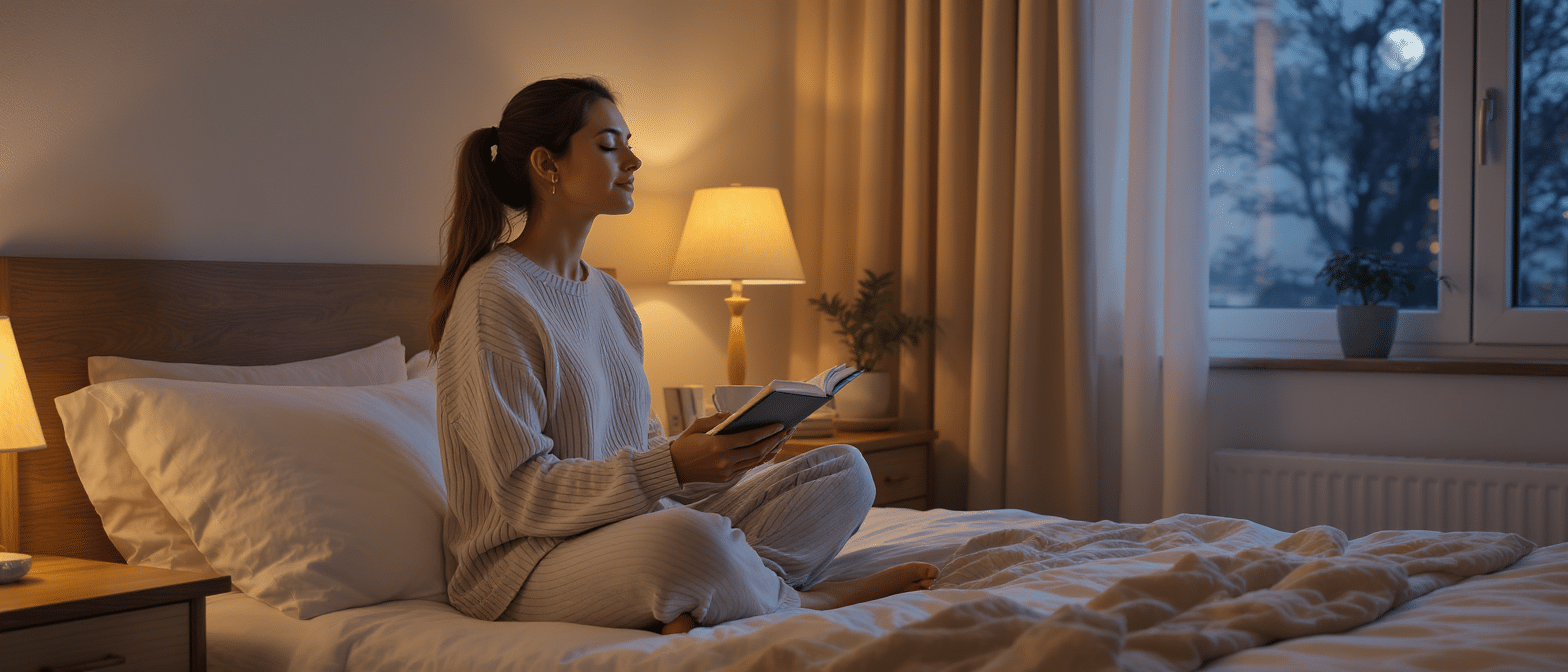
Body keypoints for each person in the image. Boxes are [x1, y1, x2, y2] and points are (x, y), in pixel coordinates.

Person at [427, 77, 938, 635]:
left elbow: (637, 447)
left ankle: (717, 592)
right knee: (687, 541)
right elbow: (524, 495)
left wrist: (706, 449)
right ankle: (801, 602)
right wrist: (669, 467)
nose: (633, 160)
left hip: (624, 527)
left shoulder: (609, 295)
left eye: (628, 142)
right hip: (524, 564)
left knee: (846, 472)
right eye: (608, 145)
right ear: (547, 165)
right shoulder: (494, 295)